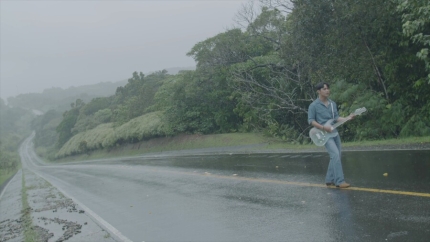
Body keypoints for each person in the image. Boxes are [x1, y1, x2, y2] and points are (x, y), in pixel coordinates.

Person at [307, 82, 355, 188]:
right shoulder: (313, 105)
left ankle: (329, 179)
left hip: (334, 132)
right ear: (318, 91)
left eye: (328, 88)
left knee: (337, 155)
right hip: (323, 133)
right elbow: (311, 121)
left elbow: (336, 118)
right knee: (335, 155)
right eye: (324, 89)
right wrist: (324, 128)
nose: (327, 90)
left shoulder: (332, 104)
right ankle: (340, 181)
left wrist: (348, 118)